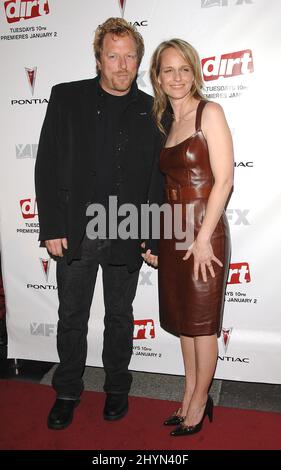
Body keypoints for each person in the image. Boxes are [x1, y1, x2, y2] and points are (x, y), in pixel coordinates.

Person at [35, 17, 163, 430]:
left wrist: (152, 235)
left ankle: (117, 388)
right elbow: (47, 165)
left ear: (138, 61)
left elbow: (155, 180)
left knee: (120, 316)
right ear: (98, 58)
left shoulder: (151, 108)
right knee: (72, 314)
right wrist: (51, 225)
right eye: (113, 56)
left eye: (130, 57)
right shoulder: (65, 98)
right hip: (76, 228)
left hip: (126, 228)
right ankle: (68, 390)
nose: (122, 65)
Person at [147, 39, 233, 436]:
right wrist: (161, 240)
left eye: (184, 68)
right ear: (158, 77)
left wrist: (202, 238)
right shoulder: (166, 121)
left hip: (204, 228)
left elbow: (225, 179)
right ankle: (187, 395)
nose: (177, 77)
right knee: (184, 323)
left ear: (194, 71)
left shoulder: (208, 112)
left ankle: (200, 402)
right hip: (174, 228)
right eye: (168, 70)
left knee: (201, 324)